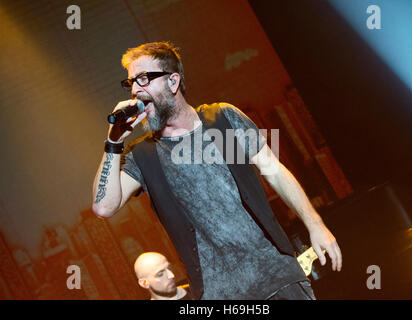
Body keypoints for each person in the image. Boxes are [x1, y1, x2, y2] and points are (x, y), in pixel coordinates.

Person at [92, 41, 342, 300]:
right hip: (219, 294)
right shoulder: (144, 155)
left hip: (277, 276)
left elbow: (274, 171)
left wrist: (316, 224)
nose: (135, 90)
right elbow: (104, 207)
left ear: (173, 82)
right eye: (130, 82)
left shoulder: (221, 120)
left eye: (143, 79)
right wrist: (113, 141)